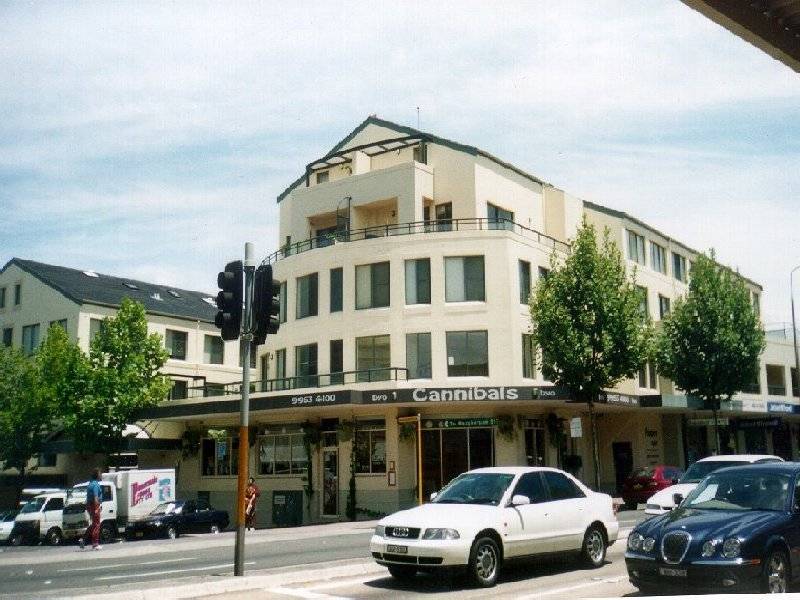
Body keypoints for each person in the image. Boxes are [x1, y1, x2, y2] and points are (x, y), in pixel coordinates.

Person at [81, 468, 102, 550]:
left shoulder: (90, 484)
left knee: (93, 524)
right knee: (97, 524)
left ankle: (83, 539)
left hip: (89, 505)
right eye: (100, 474)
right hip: (94, 505)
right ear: (97, 475)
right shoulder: (95, 485)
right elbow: (95, 497)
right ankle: (95, 544)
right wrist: (96, 508)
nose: (101, 475)